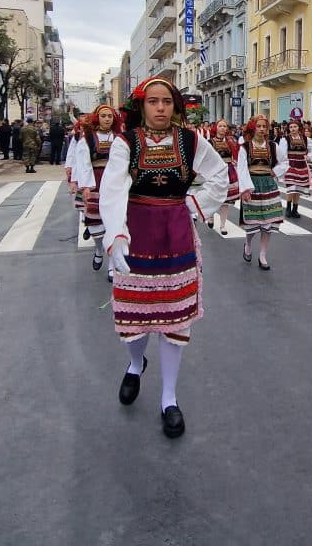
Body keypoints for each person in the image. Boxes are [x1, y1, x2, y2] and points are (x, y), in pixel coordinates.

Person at [99, 77, 228, 438]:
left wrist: (195, 203)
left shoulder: (190, 140)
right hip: (136, 232)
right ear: (141, 106)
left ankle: (169, 398)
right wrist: (116, 235)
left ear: (175, 106)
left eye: (166, 101)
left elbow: (219, 173)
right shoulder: (127, 142)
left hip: (176, 233)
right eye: (153, 101)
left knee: (174, 319)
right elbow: (111, 187)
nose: (160, 108)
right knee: (136, 315)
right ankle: (136, 364)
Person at [74, 105, 124, 279]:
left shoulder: (120, 138)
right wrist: (86, 186)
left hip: (115, 183)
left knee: (114, 223)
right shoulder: (87, 139)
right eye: (103, 116)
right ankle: (98, 248)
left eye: (110, 116)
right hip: (96, 181)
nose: (107, 119)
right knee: (95, 224)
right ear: (97, 118)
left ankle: (112, 265)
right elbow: (83, 163)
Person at [237, 114, 288, 269]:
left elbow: (285, 161)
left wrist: (275, 171)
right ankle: (248, 244)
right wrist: (245, 189)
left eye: (264, 126)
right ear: (253, 128)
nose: (261, 129)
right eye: (258, 126)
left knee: (268, 222)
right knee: (253, 223)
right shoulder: (245, 147)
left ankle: (263, 255)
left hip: (268, 185)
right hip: (252, 185)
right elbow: (242, 169)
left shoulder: (273, 146)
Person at [208, 118, 239, 234]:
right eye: (220, 126)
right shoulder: (210, 142)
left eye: (224, 126)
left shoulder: (231, 141)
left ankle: (222, 225)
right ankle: (210, 216)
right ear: (216, 128)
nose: (222, 128)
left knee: (226, 201)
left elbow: (235, 156)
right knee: (213, 198)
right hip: (215, 172)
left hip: (228, 170)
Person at [280, 120, 312, 219]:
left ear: (299, 128)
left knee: (298, 188)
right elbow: (282, 153)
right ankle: (288, 208)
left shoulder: (306, 139)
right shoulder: (285, 139)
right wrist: (285, 164)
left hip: (302, 166)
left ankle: (295, 209)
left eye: (295, 126)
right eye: (291, 127)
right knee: (291, 187)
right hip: (290, 165)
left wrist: (309, 156)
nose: (293, 129)